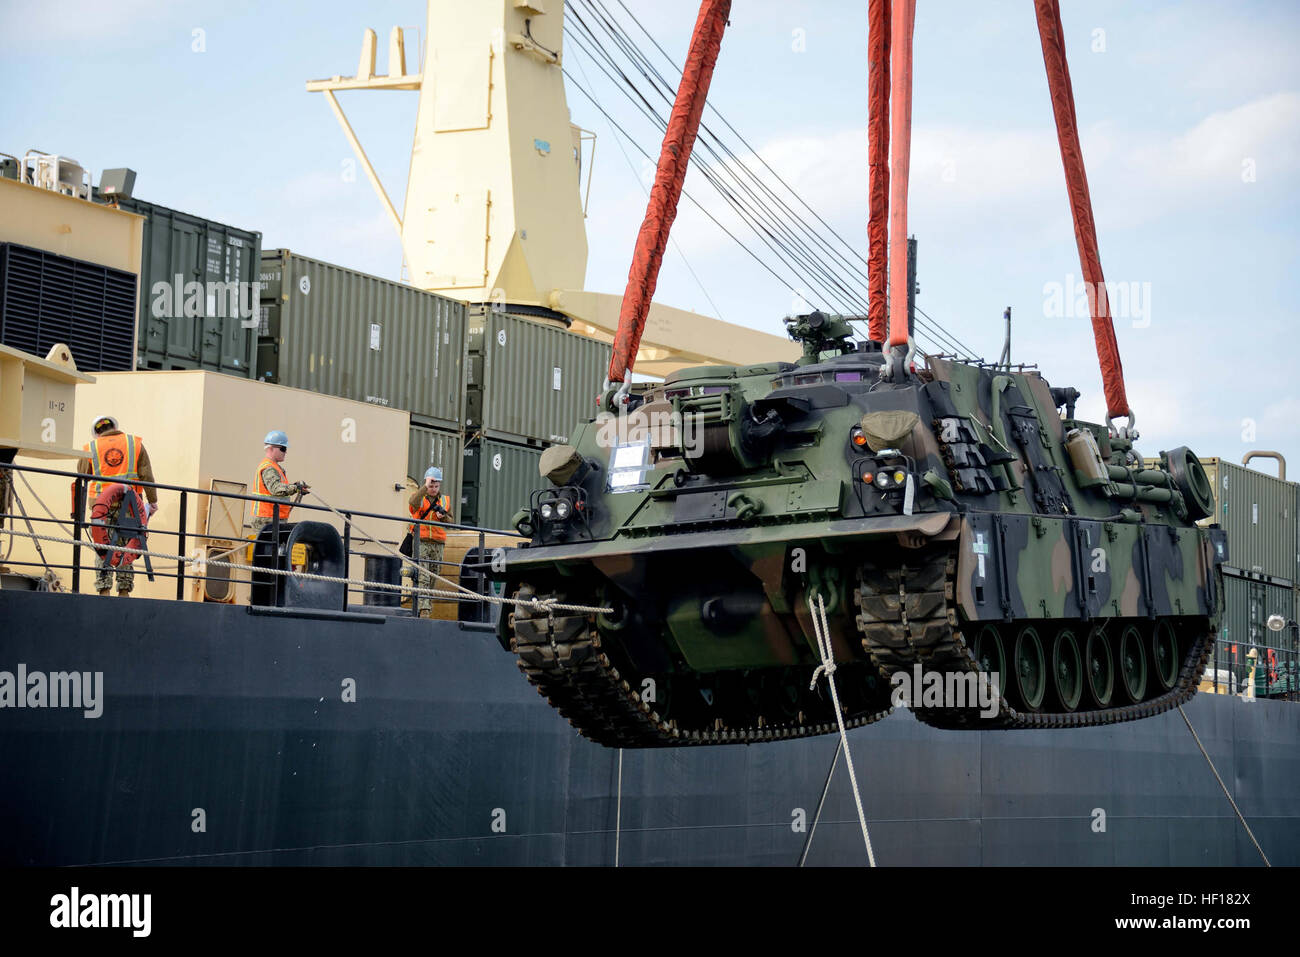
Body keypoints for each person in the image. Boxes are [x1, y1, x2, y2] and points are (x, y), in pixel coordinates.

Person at [77, 414, 159, 596]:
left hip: (101, 508)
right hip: (129, 506)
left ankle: (103, 590)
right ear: (115, 427)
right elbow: (147, 475)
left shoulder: (91, 447)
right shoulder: (134, 444)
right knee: (126, 546)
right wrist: (152, 501)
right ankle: (124, 591)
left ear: (97, 433)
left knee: (102, 547)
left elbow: (81, 476)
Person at [404, 466, 453, 618]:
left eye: (435, 486)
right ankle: (424, 609)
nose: (433, 488)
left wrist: (442, 516)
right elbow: (412, 503)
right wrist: (424, 487)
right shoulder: (419, 497)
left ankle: (425, 606)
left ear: (440, 485)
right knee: (423, 575)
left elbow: (451, 521)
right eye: (431, 485)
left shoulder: (445, 500)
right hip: (422, 540)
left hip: (438, 542)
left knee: (433, 575)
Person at [251, 430, 310, 533]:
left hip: (273, 518)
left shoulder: (275, 468)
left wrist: (295, 487)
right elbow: (276, 489)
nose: (285, 452)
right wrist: (295, 488)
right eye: (283, 448)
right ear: (271, 448)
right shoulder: (269, 468)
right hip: (267, 520)